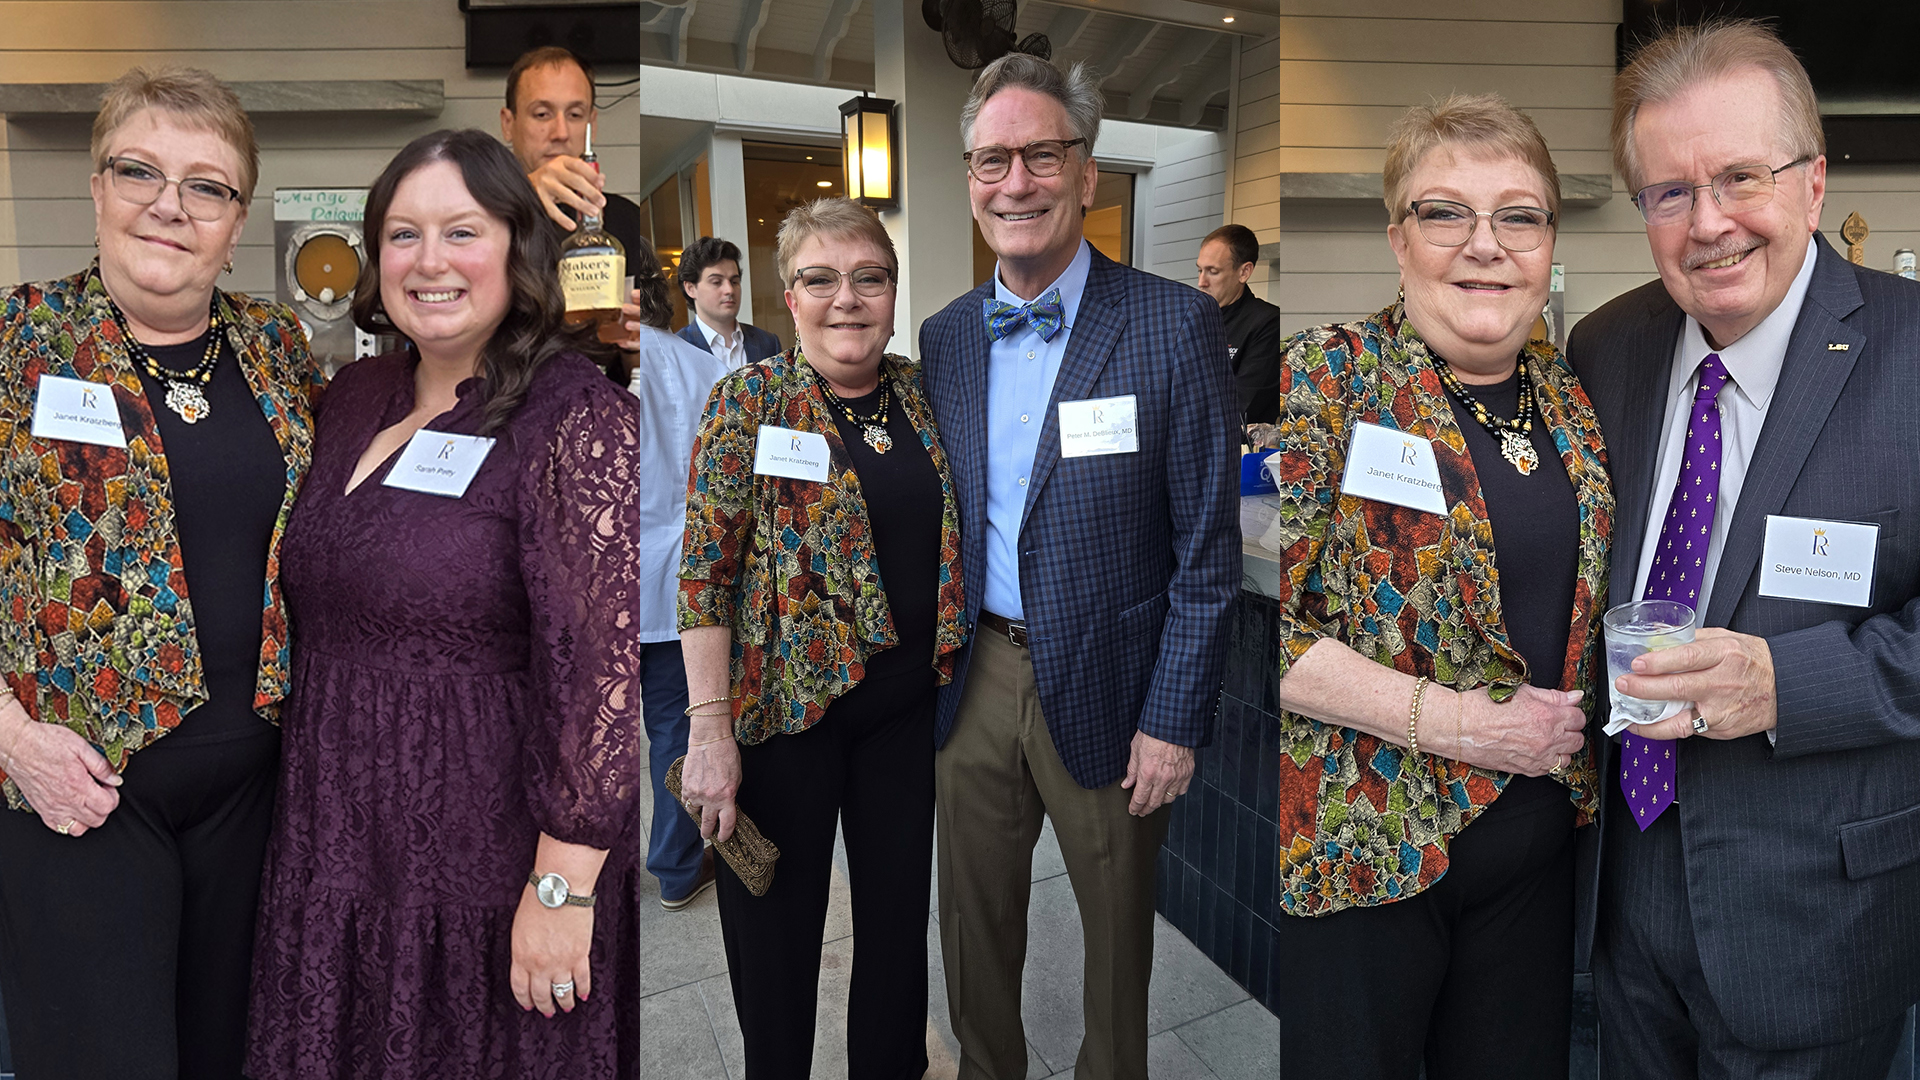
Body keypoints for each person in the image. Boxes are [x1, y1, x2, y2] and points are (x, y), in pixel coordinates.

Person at [245, 129, 640, 1077]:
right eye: (403, 235)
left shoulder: (574, 415)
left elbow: (604, 671)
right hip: (334, 832)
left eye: (461, 232)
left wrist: (562, 887)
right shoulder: (349, 397)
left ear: (517, 246)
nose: (429, 263)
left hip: (485, 852)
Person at [1568, 20, 1920, 1077]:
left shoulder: (1913, 354)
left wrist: (1784, 682)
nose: (1708, 222)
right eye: (1669, 193)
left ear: (1813, 184)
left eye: (1740, 177)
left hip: (1822, 919)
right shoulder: (1609, 345)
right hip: (1621, 905)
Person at [1266, 92, 1607, 1079]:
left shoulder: (1569, 398)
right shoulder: (1332, 377)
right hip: (1366, 848)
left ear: (1547, 242)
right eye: (1444, 211)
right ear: (1398, 238)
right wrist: (1464, 726)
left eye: (1519, 215)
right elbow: (1268, 634)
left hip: (1536, 851)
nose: (1484, 244)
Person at [917, 55, 1238, 1079]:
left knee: (1115, 944)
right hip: (976, 676)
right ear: (970, 177)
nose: (1015, 182)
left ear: (1086, 172)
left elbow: (1207, 555)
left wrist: (1174, 721)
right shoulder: (947, 338)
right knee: (971, 928)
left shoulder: (1172, 324)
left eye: (1039, 155)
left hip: (1115, 680)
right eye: (992, 160)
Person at [0, 66, 320, 1078]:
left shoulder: (280, 348)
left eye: (207, 186)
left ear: (237, 219)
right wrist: (11, 742)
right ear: (97, 186)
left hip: (256, 794)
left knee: (233, 1054)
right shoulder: (19, 341)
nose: (169, 206)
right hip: (79, 787)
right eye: (140, 170)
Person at [676, 197, 965, 1078]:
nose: (848, 298)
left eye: (869, 278)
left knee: (892, 930)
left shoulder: (921, 393)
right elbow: (703, 576)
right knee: (777, 940)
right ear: (788, 297)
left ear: (892, 290)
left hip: (904, 717)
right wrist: (707, 728)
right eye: (821, 280)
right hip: (781, 721)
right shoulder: (747, 402)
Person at [629, 234, 729, 910]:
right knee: (672, 726)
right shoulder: (696, 370)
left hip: (590, 589)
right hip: (670, 587)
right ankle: (673, 864)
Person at [497, 45, 641, 378]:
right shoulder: (483, 213)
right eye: (542, 114)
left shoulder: (625, 220)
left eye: (575, 115)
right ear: (508, 123)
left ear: (592, 124)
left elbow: (634, 364)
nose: (560, 133)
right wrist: (524, 196)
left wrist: (638, 345)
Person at [1194, 223, 1280, 425]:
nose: (1201, 282)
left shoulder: (1267, 322)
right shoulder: (1193, 320)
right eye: (1199, 270)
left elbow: (1244, 405)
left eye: (1212, 272)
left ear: (1244, 272)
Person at [676, 235, 784, 368]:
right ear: (690, 288)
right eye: (716, 282)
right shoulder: (677, 349)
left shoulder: (768, 343)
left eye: (734, 281)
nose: (729, 290)